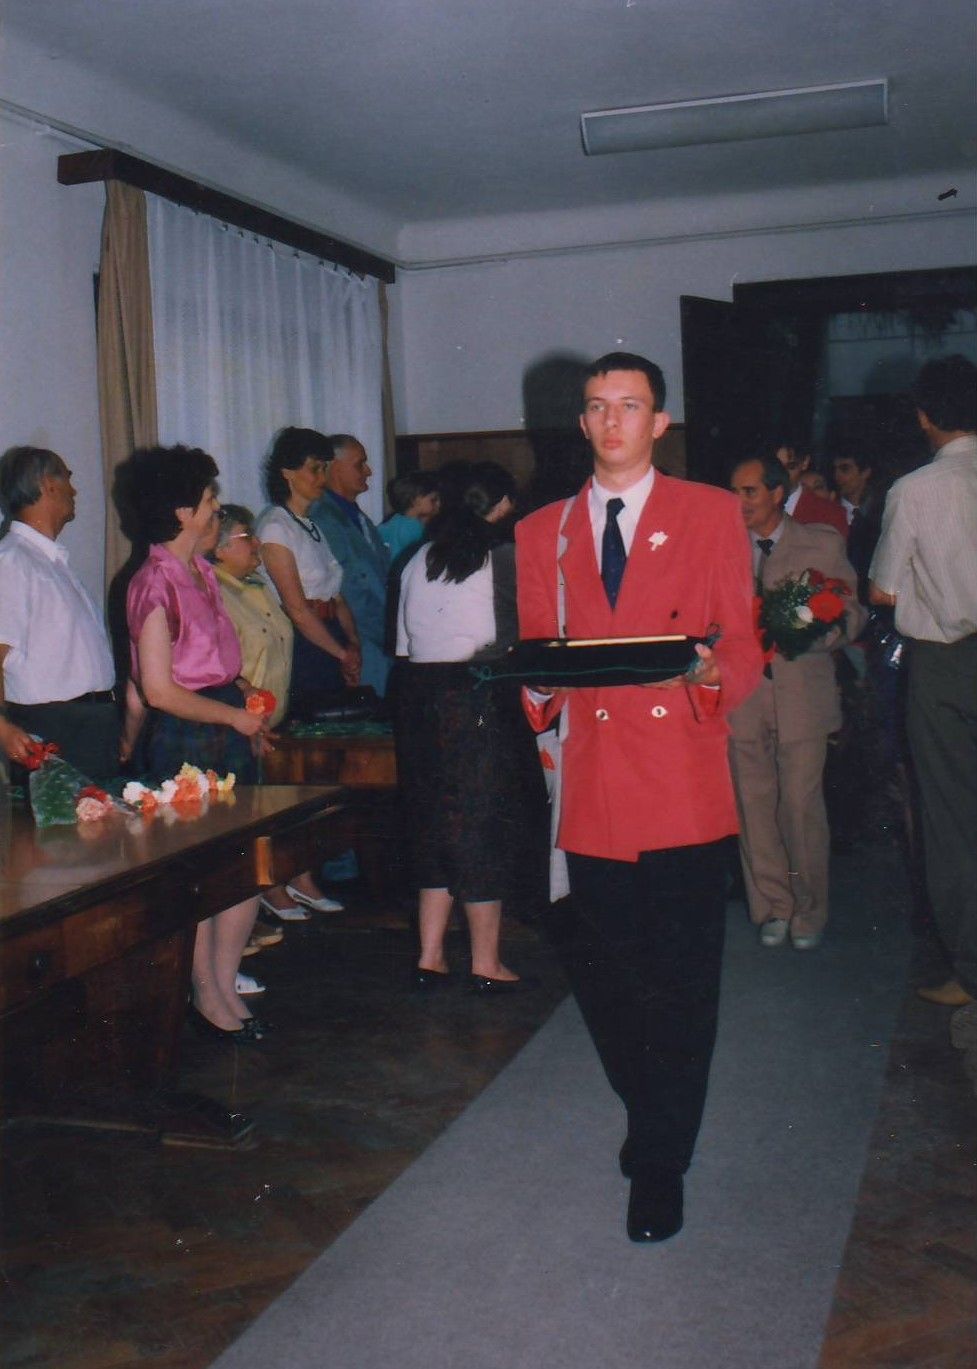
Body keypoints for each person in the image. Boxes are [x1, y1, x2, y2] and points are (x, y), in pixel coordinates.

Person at [515, 352, 762, 1242]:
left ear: (660, 422)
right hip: (591, 790)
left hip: (681, 782)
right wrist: (535, 685)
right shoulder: (540, 530)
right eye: (597, 406)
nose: (612, 420)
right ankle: (651, 1107)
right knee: (611, 980)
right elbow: (536, 656)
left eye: (630, 405)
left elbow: (742, 644)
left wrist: (704, 672)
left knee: (682, 985)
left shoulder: (709, 511)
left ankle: (661, 1160)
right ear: (581, 422)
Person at [123, 445, 269, 1042]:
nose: (216, 508)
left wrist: (243, 695)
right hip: (188, 738)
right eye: (209, 499)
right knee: (204, 875)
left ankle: (224, 983)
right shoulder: (153, 582)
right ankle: (206, 993)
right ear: (183, 511)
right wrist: (232, 717)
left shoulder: (201, 571)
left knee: (244, 869)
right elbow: (158, 690)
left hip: (223, 727)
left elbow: (207, 665)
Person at [394, 462, 534, 993]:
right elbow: (517, 638)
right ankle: (486, 962)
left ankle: (429, 956)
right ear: (500, 507)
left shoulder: (416, 560)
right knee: (482, 822)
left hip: (418, 699)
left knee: (432, 821)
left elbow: (404, 646)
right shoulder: (503, 557)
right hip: (476, 696)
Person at [869, 354, 977, 1011]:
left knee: (950, 821)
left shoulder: (915, 489)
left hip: (945, 664)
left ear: (924, 417)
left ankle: (972, 970)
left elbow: (882, 590)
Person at [728, 453, 864, 950]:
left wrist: (816, 633)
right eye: (734, 492)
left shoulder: (820, 543)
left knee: (801, 806)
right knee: (753, 804)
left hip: (802, 696)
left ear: (776, 493)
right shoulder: (721, 549)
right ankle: (773, 906)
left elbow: (853, 612)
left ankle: (809, 908)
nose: (739, 502)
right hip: (743, 698)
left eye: (749, 492)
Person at [210, 504, 342, 922]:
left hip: (275, 716)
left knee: (286, 807)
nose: (257, 544)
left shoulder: (257, 585)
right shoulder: (214, 592)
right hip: (240, 723)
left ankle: (298, 878)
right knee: (252, 815)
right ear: (219, 549)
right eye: (246, 537)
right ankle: (270, 887)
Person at [0, 446, 119, 784]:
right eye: (68, 478)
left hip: (91, 726)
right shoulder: (11, 561)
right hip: (54, 728)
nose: (74, 490)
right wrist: (2, 729)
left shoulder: (49, 562)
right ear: (48, 484)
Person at [256, 428, 362, 713]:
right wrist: (342, 654)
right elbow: (298, 610)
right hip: (304, 643)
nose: (322, 478)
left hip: (330, 636)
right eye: (314, 469)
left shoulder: (310, 525)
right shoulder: (275, 527)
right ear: (287, 473)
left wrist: (352, 644)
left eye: (325, 469)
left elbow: (336, 596)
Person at [309, 435, 392, 696]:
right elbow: (347, 588)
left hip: (380, 641)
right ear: (333, 468)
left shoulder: (356, 515)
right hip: (360, 642)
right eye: (360, 464)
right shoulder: (322, 517)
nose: (368, 471)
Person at [775, 440, 850, 538]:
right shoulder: (757, 507)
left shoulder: (831, 515)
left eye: (791, 467)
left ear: (805, 462)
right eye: (776, 467)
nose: (783, 474)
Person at [379, 470, 440, 563]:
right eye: (433, 500)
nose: (439, 504)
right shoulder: (415, 527)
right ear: (414, 501)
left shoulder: (393, 521)